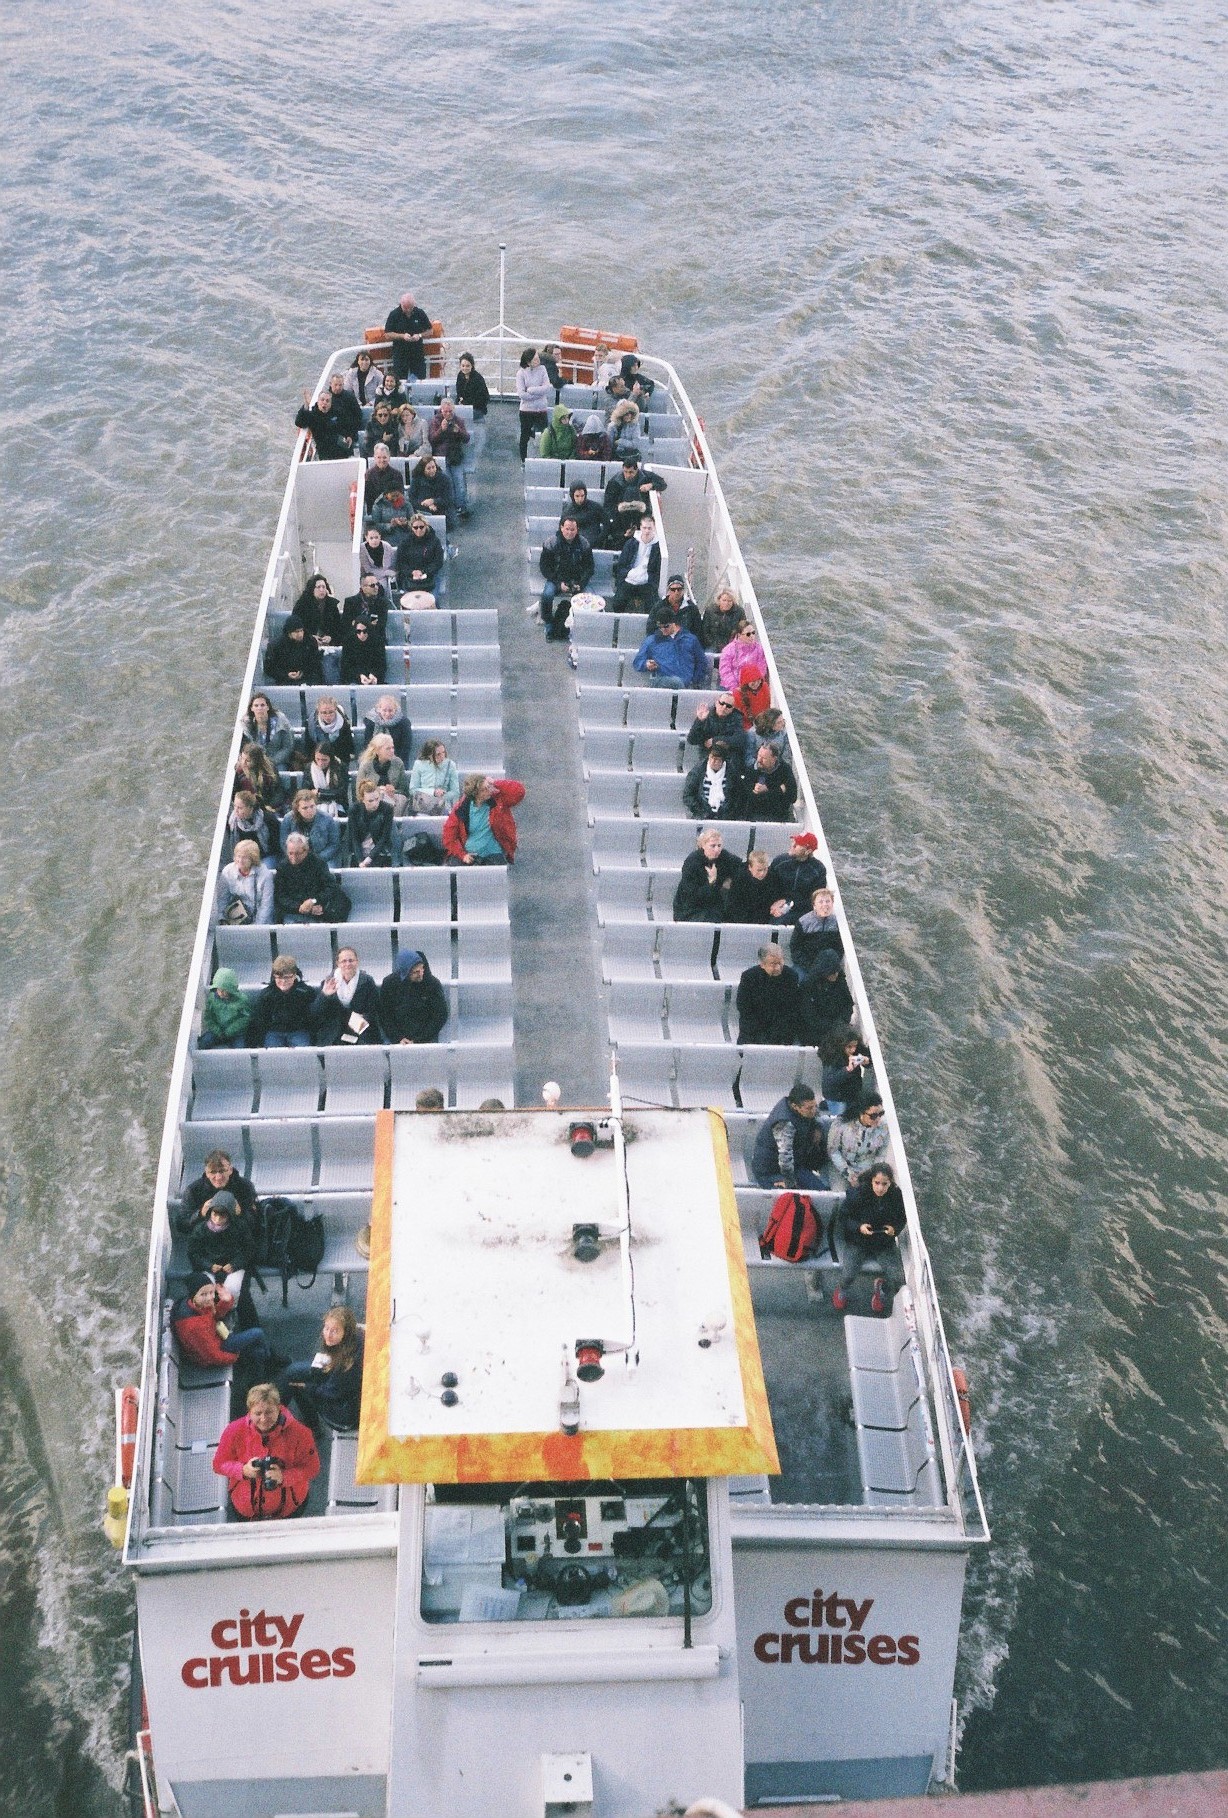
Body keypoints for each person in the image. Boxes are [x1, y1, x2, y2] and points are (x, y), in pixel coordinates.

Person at [213, 1383, 320, 1521]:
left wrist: (284, 1477)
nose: (263, 1419)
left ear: (279, 1409)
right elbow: (219, 1464)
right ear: (250, 1411)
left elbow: (312, 1467)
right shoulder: (233, 1430)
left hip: (290, 1508)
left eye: (269, 1412)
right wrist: (243, 1470)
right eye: (258, 1413)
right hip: (245, 1508)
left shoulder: (301, 1433)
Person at [831, 1163, 906, 1313]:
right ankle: (842, 1289)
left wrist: (894, 1229)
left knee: (897, 1278)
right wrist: (859, 1227)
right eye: (877, 1183)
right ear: (871, 1180)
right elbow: (844, 1218)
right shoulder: (858, 1194)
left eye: (885, 1184)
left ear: (890, 1183)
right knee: (848, 1274)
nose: (880, 1188)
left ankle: (881, 1290)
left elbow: (901, 1218)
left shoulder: (896, 1196)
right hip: (859, 1242)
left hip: (883, 1243)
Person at [278, 1307, 365, 1434]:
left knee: (296, 1385)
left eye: (334, 1331)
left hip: (341, 1414)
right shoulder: (355, 1338)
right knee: (292, 1372)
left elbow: (331, 1392)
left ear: (346, 1333)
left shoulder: (346, 1365)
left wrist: (308, 1387)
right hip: (337, 1384)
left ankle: (312, 1427)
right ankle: (279, 1413)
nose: (328, 1335)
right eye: (326, 1328)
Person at [173, 1274, 272, 1377]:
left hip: (216, 1338)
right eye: (203, 1294)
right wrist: (235, 1356)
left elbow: (214, 1317)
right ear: (194, 1295)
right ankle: (269, 1360)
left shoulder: (196, 1305)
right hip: (214, 1353)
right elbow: (212, 1356)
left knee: (258, 1352)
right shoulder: (193, 1326)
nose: (209, 1298)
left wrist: (226, 1301)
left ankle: (259, 1373)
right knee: (257, 1334)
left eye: (211, 1292)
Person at [752, 1083, 827, 1191]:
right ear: (795, 1106)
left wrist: (818, 1128)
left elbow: (816, 1114)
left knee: (821, 1191)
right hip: (770, 1170)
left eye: (814, 1106)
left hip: (795, 1164)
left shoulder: (803, 1108)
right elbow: (785, 1159)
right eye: (809, 1108)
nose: (814, 1110)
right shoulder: (784, 1124)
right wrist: (790, 1183)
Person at [442, 775, 525, 865]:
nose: (489, 790)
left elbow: (519, 791)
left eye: (488, 787)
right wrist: (463, 855)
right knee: (455, 873)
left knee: (498, 875)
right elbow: (449, 837)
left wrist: (495, 782)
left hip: (494, 853)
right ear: (475, 794)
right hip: (468, 853)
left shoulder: (498, 801)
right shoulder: (461, 809)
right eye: (483, 789)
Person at [538, 514, 595, 640]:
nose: (569, 532)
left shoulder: (584, 544)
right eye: (567, 529)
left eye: (573, 529)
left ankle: (582, 625)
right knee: (547, 595)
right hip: (556, 579)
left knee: (590, 599)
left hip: (577, 580)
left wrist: (581, 583)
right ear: (561, 528)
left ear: (577, 530)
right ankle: (548, 622)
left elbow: (589, 567)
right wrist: (558, 583)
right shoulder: (551, 543)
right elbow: (545, 567)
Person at [186, 1191, 255, 1296]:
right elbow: (193, 1253)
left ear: (230, 1215)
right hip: (208, 1267)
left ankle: (230, 1309)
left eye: (222, 1215)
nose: (217, 1219)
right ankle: (209, 1311)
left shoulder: (240, 1227)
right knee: (206, 1290)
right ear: (210, 1212)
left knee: (232, 1290)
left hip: (233, 1266)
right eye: (215, 1214)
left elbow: (249, 1249)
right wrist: (209, 1266)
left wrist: (235, 1264)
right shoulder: (200, 1229)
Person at [177, 1149, 260, 1235]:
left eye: (222, 1171)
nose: (218, 1177)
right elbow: (181, 1226)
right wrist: (200, 1214)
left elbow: (257, 1225)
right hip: (206, 1240)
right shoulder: (194, 1190)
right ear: (207, 1173)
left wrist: (240, 1214)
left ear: (230, 1170)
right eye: (213, 1172)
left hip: (237, 1239)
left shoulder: (244, 1187)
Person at [310, 946, 382, 1045]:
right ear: (338, 964)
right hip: (334, 1030)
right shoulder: (328, 982)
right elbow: (316, 1013)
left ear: (357, 962)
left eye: (351, 960)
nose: (347, 964)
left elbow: (375, 1010)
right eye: (343, 961)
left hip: (360, 1028)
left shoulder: (367, 981)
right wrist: (324, 995)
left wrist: (362, 1019)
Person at [273, 834, 352, 925]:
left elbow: (330, 887)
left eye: (297, 853)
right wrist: (302, 908)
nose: (293, 858)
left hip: (318, 909)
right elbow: (280, 896)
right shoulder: (282, 867)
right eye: (290, 853)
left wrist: (313, 901)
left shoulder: (318, 863)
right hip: (293, 911)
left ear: (306, 851)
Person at [378, 949, 449, 1044]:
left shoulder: (432, 984)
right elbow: (385, 1015)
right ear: (406, 973)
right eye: (416, 972)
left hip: (426, 1038)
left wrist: (418, 1040)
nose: (421, 974)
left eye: (422, 969)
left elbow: (440, 1016)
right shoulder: (390, 984)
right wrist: (398, 1038)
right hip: (398, 1039)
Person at [736, 945, 802, 1045]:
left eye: (780, 963)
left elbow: (792, 1009)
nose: (778, 968)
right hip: (754, 1027)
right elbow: (744, 1008)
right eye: (773, 964)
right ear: (762, 964)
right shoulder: (749, 977)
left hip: (781, 1028)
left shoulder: (791, 976)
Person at [246, 954, 317, 1047]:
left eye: (287, 977)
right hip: (274, 1032)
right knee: (271, 1055)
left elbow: (314, 1016)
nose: (283, 981)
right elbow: (259, 1021)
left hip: (298, 1031)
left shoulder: (305, 992)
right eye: (279, 977)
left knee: (304, 1052)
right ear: (274, 976)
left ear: (295, 975)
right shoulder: (267, 995)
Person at [672, 828, 741, 922]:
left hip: (714, 907)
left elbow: (742, 867)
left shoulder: (724, 857)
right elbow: (691, 897)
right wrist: (711, 881)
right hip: (690, 909)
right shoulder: (692, 862)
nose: (717, 850)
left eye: (719, 845)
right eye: (713, 846)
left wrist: (730, 881)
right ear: (703, 845)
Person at [825, 1092, 890, 1188]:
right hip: (841, 1167)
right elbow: (833, 1151)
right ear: (861, 1113)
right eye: (873, 1116)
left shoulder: (884, 1128)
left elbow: (881, 1154)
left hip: (868, 1170)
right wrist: (849, 1174)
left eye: (881, 1114)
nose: (878, 1119)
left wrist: (869, 1172)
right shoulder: (841, 1125)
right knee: (841, 1193)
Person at [601, 452, 666, 546]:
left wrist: (651, 485)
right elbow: (608, 506)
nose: (627, 475)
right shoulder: (614, 482)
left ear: (636, 471)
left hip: (641, 514)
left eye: (631, 472)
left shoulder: (645, 477)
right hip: (620, 517)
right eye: (625, 472)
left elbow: (662, 484)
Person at [632, 614, 710, 690]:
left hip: (687, 684)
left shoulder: (690, 639)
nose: (663, 629)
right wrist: (646, 664)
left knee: (679, 683)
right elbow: (637, 662)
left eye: (666, 626)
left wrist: (694, 680)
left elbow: (702, 662)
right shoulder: (652, 640)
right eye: (660, 627)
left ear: (674, 623)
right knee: (676, 682)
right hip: (663, 682)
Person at [798, 948, 855, 1047]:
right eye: (832, 972)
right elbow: (809, 1015)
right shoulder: (808, 985)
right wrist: (831, 1027)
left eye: (836, 971)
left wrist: (841, 1022)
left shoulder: (840, 981)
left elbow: (848, 1003)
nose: (835, 975)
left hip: (837, 1025)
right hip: (814, 1029)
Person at [765, 832, 827, 923]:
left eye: (797, 844)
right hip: (776, 902)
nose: (792, 845)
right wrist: (775, 904)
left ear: (808, 851)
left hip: (801, 909)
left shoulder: (818, 870)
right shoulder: (780, 861)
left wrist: (789, 905)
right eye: (793, 842)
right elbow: (769, 885)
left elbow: (816, 900)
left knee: (779, 921)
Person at [685, 692, 750, 771]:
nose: (724, 707)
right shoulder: (706, 715)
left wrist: (715, 740)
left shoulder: (736, 719)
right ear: (716, 702)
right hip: (708, 757)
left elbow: (740, 740)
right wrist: (699, 721)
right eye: (722, 703)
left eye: (728, 706)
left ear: (732, 709)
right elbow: (692, 740)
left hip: (728, 760)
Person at [683, 742, 747, 821]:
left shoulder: (732, 773)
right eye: (711, 758)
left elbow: (739, 796)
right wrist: (700, 811)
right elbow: (688, 795)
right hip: (702, 815)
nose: (713, 761)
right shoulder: (698, 771)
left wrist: (730, 813)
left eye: (717, 759)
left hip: (727, 817)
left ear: (722, 761)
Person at [346, 777, 401, 867]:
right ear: (362, 799)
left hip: (380, 850)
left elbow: (384, 837)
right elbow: (354, 838)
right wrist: (360, 861)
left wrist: (370, 857)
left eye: (377, 799)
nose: (375, 803)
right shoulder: (354, 809)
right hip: (358, 850)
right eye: (370, 801)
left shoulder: (387, 808)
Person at [216, 839, 273, 925]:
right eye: (238, 856)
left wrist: (256, 926)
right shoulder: (227, 871)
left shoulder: (265, 875)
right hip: (236, 915)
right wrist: (222, 919)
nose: (240, 860)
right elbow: (222, 899)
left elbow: (266, 905)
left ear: (253, 859)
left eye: (245, 857)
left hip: (259, 918)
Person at [280, 787, 343, 866]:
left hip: (322, 858)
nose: (309, 810)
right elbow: (284, 843)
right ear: (298, 808)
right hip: (296, 857)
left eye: (312, 806)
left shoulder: (327, 819)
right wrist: (297, 857)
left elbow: (334, 844)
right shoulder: (288, 819)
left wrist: (317, 859)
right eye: (305, 808)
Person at [428, 398, 470, 514]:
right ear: (441, 410)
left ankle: (461, 506)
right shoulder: (435, 421)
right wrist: (442, 429)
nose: (448, 414)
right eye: (445, 411)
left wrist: (459, 432)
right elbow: (432, 440)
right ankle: (448, 506)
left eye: (450, 411)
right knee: (447, 482)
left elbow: (467, 439)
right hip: (441, 456)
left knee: (459, 482)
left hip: (455, 455)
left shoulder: (459, 421)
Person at [611, 518, 662, 613]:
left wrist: (652, 582)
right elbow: (622, 565)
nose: (647, 531)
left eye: (649, 528)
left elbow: (657, 570)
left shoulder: (658, 547)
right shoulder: (631, 543)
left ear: (654, 528)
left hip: (647, 582)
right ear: (640, 528)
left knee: (653, 608)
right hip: (629, 580)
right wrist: (628, 574)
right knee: (617, 603)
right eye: (644, 527)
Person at [790, 886, 843, 977]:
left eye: (828, 901)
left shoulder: (837, 924)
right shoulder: (804, 922)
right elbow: (795, 948)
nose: (825, 905)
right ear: (814, 905)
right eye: (821, 902)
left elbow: (839, 948)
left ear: (832, 903)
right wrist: (810, 966)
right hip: (806, 965)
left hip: (827, 965)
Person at [821, 1027, 875, 1116]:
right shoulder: (831, 1058)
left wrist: (867, 1061)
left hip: (851, 1090)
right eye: (849, 1047)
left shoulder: (855, 1050)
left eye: (855, 1046)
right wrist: (847, 1069)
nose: (853, 1050)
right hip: (836, 1096)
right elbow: (830, 1080)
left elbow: (867, 1057)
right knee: (842, 1115)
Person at [263, 612, 323, 687]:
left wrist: (303, 672)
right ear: (289, 633)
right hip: (285, 681)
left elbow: (315, 662)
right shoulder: (276, 646)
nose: (300, 634)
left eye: (301, 631)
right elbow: (269, 668)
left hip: (308, 679)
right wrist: (286, 675)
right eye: (296, 632)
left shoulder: (310, 641)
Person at [198, 967, 252, 1050]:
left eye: (224, 990)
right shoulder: (212, 999)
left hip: (236, 1033)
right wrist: (217, 1031)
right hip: (218, 1032)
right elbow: (208, 1018)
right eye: (219, 990)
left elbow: (245, 1018)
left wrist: (230, 1031)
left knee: (240, 1049)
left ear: (231, 989)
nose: (221, 993)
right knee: (204, 1042)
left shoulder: (242, 1000)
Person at [355, 732, 409, 814]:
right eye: (388, 748)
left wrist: (394, 791)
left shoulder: (398, 763)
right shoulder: (366, 765)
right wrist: (377, 791)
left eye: (392, 748)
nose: (392, 751)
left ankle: (393, 824)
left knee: (401, 799)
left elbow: (404, 790)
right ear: (377, 750)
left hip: (393, 799)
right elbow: (359, 791)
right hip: (371, 799)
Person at [384, 290, 432, 380]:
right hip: (400, 355)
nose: (408, 310)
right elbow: (387, 334)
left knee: (419, 379)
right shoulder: (394, 315)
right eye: (405, 308)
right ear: (401, 304)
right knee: (399, 381)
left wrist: (420, 335)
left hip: (417, 354)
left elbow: (430, 330)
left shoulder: (420, 313)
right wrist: (402, 336)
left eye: (410, 307)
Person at [294, 388, 354, 460]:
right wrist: (306, 404)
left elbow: (347, 424)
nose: (324, 402)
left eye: (327, 401)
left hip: (340, 445)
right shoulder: (312, 415)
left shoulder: (337, 412)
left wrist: (349, 435)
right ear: (318, 401)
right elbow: (299, 422)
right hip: (325, 450)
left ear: (330, 403)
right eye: (322, 400)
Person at [224, 790, 280, 867]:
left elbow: (276, 845)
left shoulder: (268, 819)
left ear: (250, 808)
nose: (235, 810)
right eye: (235, 806)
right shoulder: (233, 823)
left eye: (240, 808)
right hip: (244, 858)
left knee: (266, 868)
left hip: (266, 855)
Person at [725, 850, 781, 925]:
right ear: (750, 867)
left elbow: (775, 899)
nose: (762, 873)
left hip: (765, 919)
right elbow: (733, 905)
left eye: (765, 869)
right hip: (742, 920)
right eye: (759, 870)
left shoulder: (773, 879)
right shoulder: (740, 880)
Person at [515, 346, 552, 460]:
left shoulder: (542, 369)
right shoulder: (521, 373)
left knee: (544, 435)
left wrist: (531, 390)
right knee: (524, 436)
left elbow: (547, 387)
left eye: (538, 358)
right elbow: (521, 394)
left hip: (541, 409)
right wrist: (539, 394)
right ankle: (524, 460)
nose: (538, 361)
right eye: (535, 359)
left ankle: (543, 458)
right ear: (528, 362)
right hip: (526, 410)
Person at [395, 513, 444, 598]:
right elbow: (400, 562)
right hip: (410, 578)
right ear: (411, 528)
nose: (419, 530)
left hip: (430, 576)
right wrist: (412, 572)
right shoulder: (405, 542)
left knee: (433, 600)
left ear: (426, 526)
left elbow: (438, 561)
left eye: (421, 527)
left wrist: (425, 571)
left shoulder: (434, 541)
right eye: (415, 527)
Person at [243, 692, 295, 770]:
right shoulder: (247, 724)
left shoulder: (281, 721)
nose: (259, 708)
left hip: (277, 760)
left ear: (268, 707)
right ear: (252, 708)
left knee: (279, 771)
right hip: (255, 761)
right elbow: (246, 749)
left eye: (262, 705)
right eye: (256, 706)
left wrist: (271, 762)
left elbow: (288, 747)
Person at [408, 738, 461, 815]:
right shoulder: (419, 764)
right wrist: (433, 792)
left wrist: (442, 797)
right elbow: (412, 790)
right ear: (429, 755)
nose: (442, 756)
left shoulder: (450, 765)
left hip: (443, 805)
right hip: (423, 804)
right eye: (438, 754)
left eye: (443, 752)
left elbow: (455, 791)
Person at [746, 744, 798, 821]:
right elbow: (752, 799)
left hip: (778, 816)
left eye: (764, 758)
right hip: (755, 815)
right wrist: (780, 789)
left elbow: (792, 797)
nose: (759, 760)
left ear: (774, 759)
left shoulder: (785, 770)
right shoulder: (751, 770)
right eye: (759, 755)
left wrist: (767, 790)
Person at [647, 575, 704, 642]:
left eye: (679, 589)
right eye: (673, 589)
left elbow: (697, 632)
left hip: (684, 645)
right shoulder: (659, 607)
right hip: (663, 643)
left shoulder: (691, 608)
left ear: (683, 590)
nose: (676, 592)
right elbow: (651, 629)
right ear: (668, 590)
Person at [361, 694, 413, 766]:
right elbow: (367, 743)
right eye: (384, 710)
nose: (387, 714)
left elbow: (405, 746)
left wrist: (397, 763)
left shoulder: (404, 723)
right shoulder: (371, 722)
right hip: (374, 761)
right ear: (379, 709)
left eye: (390, 710)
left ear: (395, 709)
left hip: (397, 761)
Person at [306, 694, 355, 767]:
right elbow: (309, 747)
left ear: (335, 709)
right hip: (318, 760)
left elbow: (347, 748)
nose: (328, 716)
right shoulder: (311, 724)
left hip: (338, 759)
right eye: (324, 712)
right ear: (318, 711)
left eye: (331, 712)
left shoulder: (344, 723)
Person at [339, 611, 386, 686]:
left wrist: (373, 675)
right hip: (353, 680)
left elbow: (381, 665)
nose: (362, 634)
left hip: (374, 680)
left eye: (365, 631)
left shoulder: (377, 641)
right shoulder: (349, 642)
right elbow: (346, 667)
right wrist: (359, 676)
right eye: (358, 631)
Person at [719, 620, 768, 692]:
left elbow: (761, 668)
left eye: (753, 633)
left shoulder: (759, 649)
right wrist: (735, 687)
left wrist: (753, 684)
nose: (752, 636)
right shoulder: (728, 650)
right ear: (739, 635)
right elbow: (725, 671)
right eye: (748, 634)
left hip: (753, 686)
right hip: (731, 686)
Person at [409, 454, 455, 529]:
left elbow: (449, 499)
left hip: (442, 511)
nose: (432, 470)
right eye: (428, 468)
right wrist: (426, 505)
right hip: (421, 512)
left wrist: (434, 501)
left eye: (433, 467)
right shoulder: (416, 480)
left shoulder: (445, 479)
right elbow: (412, 498)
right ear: (423, 469)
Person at [305, 741, 349, 817]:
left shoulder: (341, 767)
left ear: (330, 758)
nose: (320, 763)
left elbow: (341, 793)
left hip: (337, 804)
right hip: (315, 804)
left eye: (324, 760)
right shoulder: (309, 768)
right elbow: (306, 791)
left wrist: (320, 792)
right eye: (318, 759)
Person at [699, 586, 747, 653]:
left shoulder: (739, 612)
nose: (726, 603)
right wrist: (716, 645)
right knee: (708, 657)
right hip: (713, 645)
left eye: (730, 601)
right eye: (724, 600)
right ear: (719, 600)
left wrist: (732, 645)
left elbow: (743, 631)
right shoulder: (710, 611)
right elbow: (705, 631)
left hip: (733, 645)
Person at [359, 523, 397, 595]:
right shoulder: (362, 549)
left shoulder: (387, 546)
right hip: (368, 576)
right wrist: (385, 572)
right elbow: (367, 569)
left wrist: (386, 573)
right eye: (371, 538)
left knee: (384, 587)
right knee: (371, 587)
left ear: (380, 537)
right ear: (366, 538)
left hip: (384, 577)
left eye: (376, 537)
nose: (374, 540)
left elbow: (389, 566)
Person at [326, 370, 363, 445]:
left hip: (349, 433)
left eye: (340, 385)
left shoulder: (350, 397)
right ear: (330, 384)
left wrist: (350, 435)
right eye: (335, 385)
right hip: (332, 434)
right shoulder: (325, 399)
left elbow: (358, 416)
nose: (338, 387)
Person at [363, 442, 403, 512]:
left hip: (394, 510)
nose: (382, 460)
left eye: (384, 457)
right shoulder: (369, 475)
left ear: (389, 457)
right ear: (374, 458)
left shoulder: (397, 474)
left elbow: (400, 495)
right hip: (374, 510)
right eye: (379, 457)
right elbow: (368, 498)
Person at [371, 485, 411, 550]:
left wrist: (406, 523)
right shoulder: (378, 506)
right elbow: (375, 525)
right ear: (386, 495)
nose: (395, 498)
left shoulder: (407, 505)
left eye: (397, 495)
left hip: (405, 535)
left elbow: (413, 522)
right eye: (392, 496)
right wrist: (389, 525)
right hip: (387, 537)